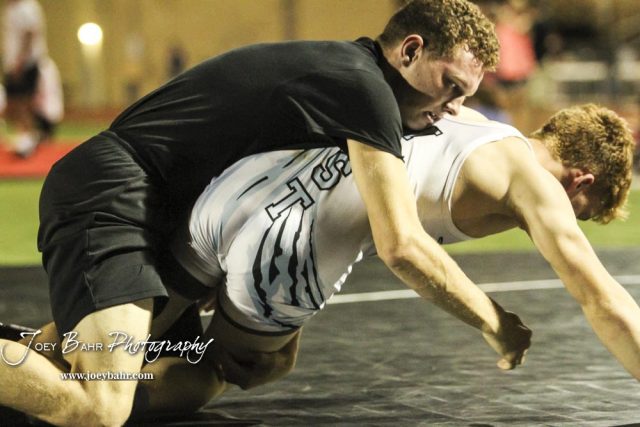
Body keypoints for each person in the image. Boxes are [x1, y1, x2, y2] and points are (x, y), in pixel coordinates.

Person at [0, 1, 516, 425]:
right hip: (117, 192)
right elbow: (401, 244)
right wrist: (493, 320)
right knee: (100, 405)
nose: (453, 108)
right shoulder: (367, 90)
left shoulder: (352, 77)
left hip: (160, 212)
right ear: (410, 50)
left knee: (200, 372)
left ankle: (28, 369)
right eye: (451, 86)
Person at [147, 103, 638, 412]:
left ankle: (100, 375)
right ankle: (106, 404)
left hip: (251, 189)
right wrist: (496, 322)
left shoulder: (464, 116)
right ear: (582, 180)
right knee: (226, 366)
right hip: (292, 249)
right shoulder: (539, 187)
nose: (570, 220)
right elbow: (603, 299)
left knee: (124, 341)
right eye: (582, 212)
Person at [1, 0, 63, 157]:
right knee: (14, 102)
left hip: (25, 62)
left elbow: (30, 33)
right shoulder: (11, 9)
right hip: (13, 62)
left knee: (23, 101)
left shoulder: (27, 7)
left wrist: (21, 60)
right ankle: (25, 136)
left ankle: (28, 138)